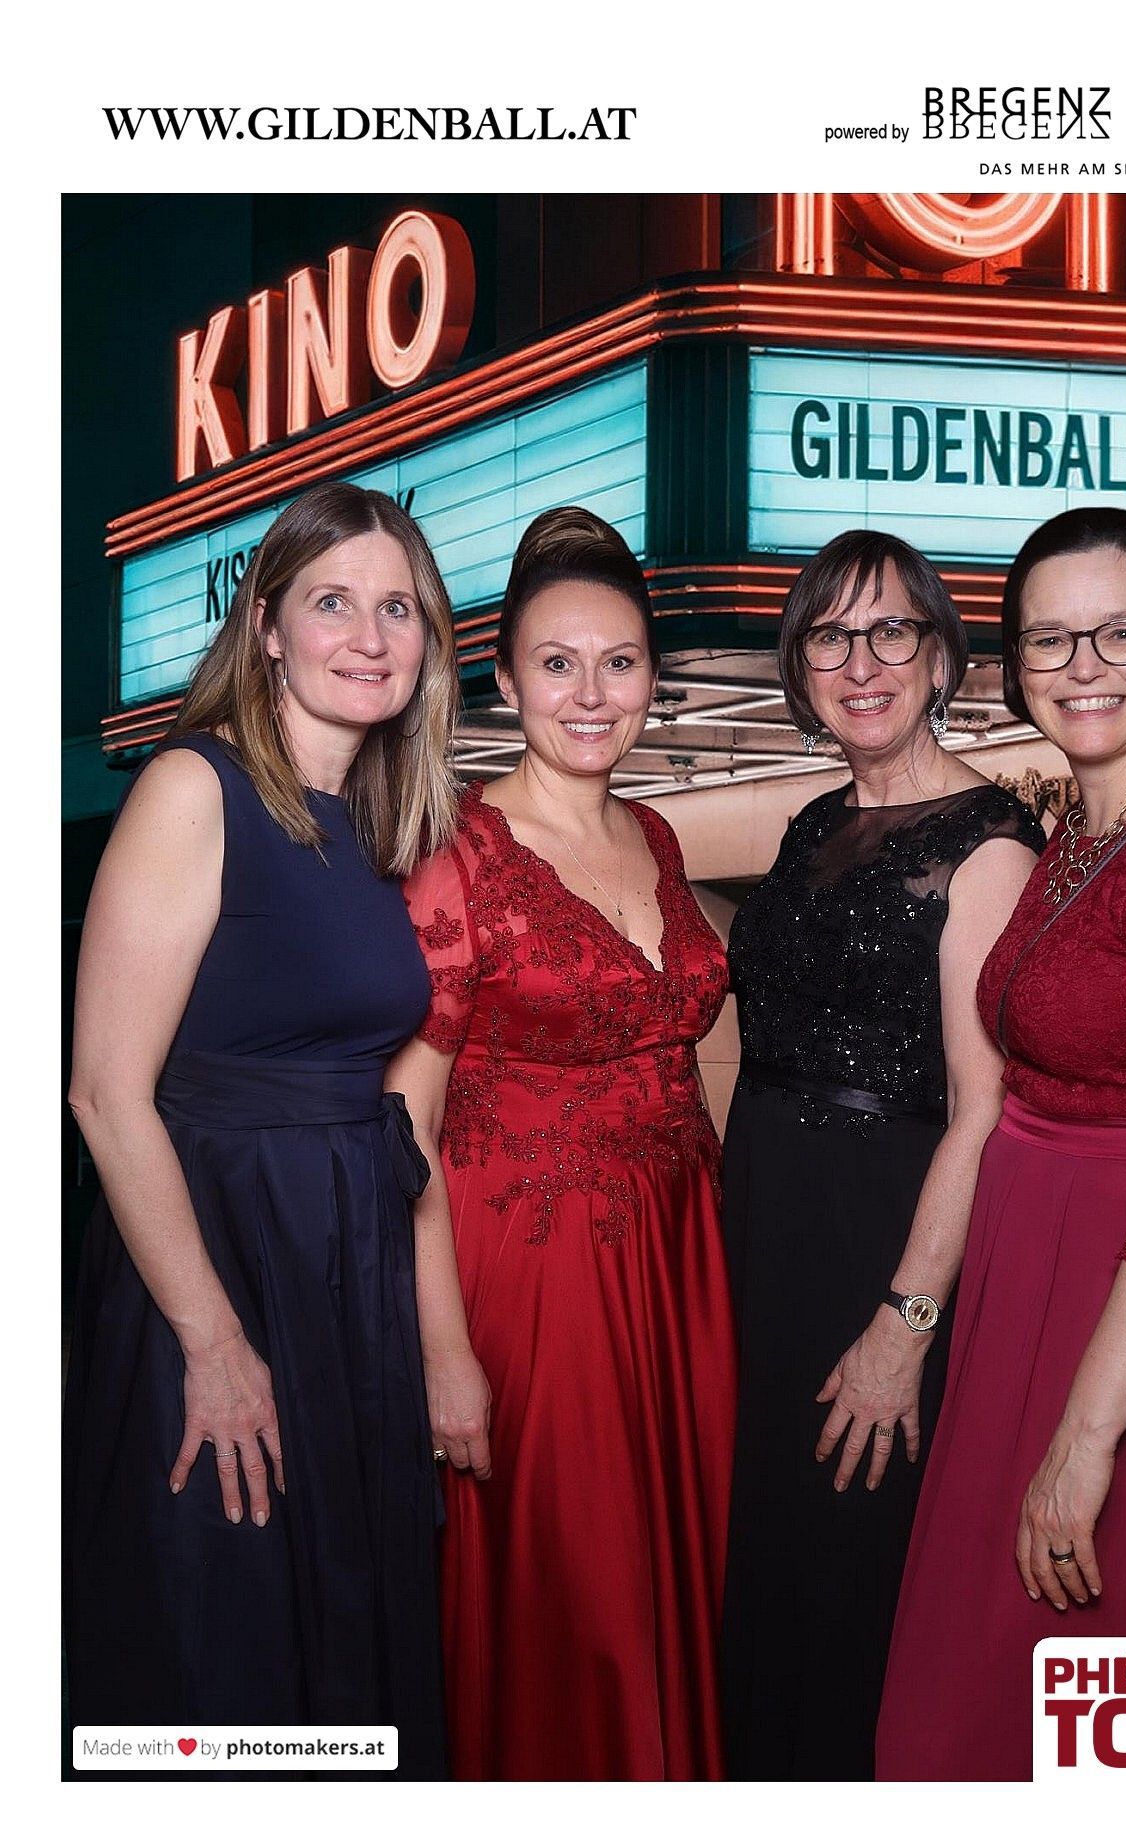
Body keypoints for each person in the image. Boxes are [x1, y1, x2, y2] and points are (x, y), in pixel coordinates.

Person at [64, 483, 459, 1773]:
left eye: (396, 606)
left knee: (331, 1632)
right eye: (333, 601)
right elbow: (105, 1091)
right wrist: (212, 1338)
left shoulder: (373, 822)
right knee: (219, 1638)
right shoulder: (197, 784)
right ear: (269, 627)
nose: (369, 635)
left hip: (342, 1266)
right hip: (220, 1259)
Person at [393, 506, 736, 1780]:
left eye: (619, 661)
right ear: (503, 678)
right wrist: (444, 1354)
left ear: (652, 674)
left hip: (676, 1260)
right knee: (578, 1597)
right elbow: (404, 1124)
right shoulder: (457, 851)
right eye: (556, 662)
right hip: (531, 1278)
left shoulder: (655, 832)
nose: (591, 693)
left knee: (678, 1570)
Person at [720, 530, 1047, 1780]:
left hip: (877, 1245)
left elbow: (982, 1108)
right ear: (800, 666)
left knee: (846, 1563)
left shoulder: (990, 842)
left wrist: (905, 1324)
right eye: (829, 636)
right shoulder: (813, 822)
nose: (860, 664)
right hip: (764, 1235)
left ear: (941, 655)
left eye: (890, 631)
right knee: (767, 1554)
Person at [877, 507, 1126, 1781]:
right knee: (982, 1688)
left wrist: (1089, 1433)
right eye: (1049, 639)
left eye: (1121, 632)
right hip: (1028, 1286)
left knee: (1062, 1693)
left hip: (1125, 1322)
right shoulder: (1080, 832)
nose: (1083, 665)